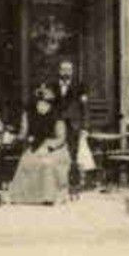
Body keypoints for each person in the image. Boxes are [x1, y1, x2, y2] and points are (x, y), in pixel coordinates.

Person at [7, 83, 71, 204]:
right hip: (36, 146)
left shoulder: (57, 117)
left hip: (56, 149)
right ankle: (25, 197)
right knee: (26, 161)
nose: (41, 107)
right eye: (39, 104)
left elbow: (61, 138)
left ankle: (48, 196)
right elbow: (23, 133)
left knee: (47, 163)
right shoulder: (30, 115)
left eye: (45, 104)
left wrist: (48, 147)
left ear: (50, 105)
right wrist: (13, 137)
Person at [52, 60, 88, 191]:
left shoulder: (80, 86)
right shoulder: (53, 86)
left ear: (72, 72)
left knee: (73, 154)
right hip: (57, 125)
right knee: (58, 152)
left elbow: (84, 108)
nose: (66, 72)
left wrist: (84, 127)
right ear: (59, 71)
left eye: (68, 69)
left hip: (73, 124)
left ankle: (74, 184)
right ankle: (58, 183)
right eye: (63, 69)